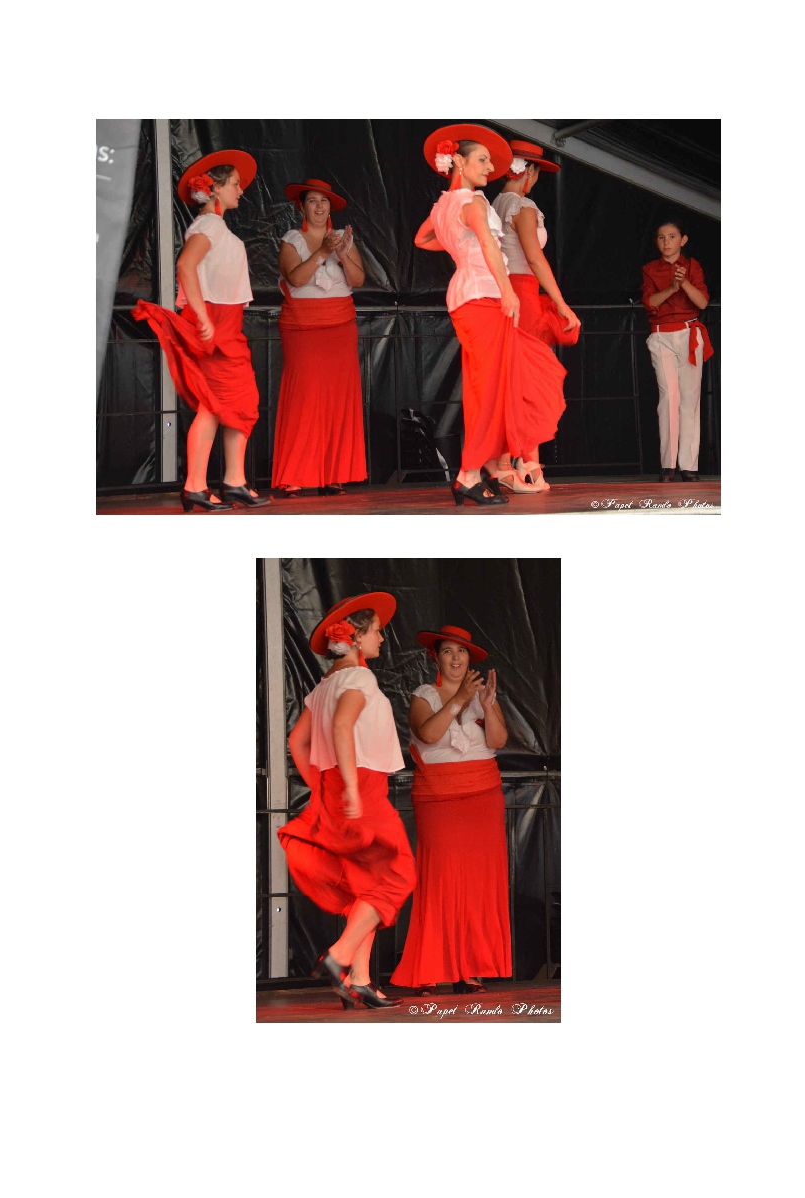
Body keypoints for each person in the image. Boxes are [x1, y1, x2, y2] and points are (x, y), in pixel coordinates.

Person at [414, 124, 566, 507]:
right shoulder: (474, 201)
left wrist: (458, 246)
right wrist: (508, 289)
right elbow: (487, 244)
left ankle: (482, 470)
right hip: (484, 295)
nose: (489, 167)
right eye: (482, 160)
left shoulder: (444, 204)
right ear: (458, 162)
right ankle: (469, 473)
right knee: (491, 389)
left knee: (485, 387)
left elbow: (422, 239)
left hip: (465, 294)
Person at [278, 593, 414, 1010]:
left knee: (367, 883)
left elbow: (296, 742)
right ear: (355, 637)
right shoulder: (359, 679)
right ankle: (339, 957)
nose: (382, 638)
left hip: (336, 787)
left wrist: (325, 787)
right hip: (362, 787)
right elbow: (342, 725)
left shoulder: (324, 686)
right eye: (377, 631)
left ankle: (360, 979)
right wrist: (352, 787)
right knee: (399, 874)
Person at [133, 149, 270, 512]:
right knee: (214, 405)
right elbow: (185, 264)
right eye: (235, 184)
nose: (241, 190)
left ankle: (234, 481)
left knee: (238, 402)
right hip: (216, 322)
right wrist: (201, 315)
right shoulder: (209, 225)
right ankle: (197, 485)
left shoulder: (215, 226)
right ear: (215, 189)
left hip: (226, 322)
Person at [390, 625, 511, 994]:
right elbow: (427, 735)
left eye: (461, 652)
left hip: (483, 796)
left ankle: (470, 970)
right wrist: (458, 699)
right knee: (440, 882)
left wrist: (486, 706)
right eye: (447, 651)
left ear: (469, 658)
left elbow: (499, 740)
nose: (456, 658)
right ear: (436, 657)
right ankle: (429, 970)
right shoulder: (423, 695)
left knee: (478, 885)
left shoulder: (484, 696)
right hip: (439, 797)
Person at [492, 140, 581, 494]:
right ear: (528, 171)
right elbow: (534, 257)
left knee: (513, 379)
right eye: (537, 172)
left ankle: (517, 462)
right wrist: (561, 303)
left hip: (503, 294)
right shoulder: (523, 205)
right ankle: (519, 463)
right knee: (528, 380)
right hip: (523, 293)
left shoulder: (494, 204)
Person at [271, 179, 368, 498]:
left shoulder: (343, 239)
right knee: (304, 399)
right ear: (302, 207)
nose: (319, 206)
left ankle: (334, 475)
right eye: (312, 201)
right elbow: (295, 278)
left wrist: (341, 253)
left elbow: (358, 279)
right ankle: (294, 476)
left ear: (330, 207)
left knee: (338, 400)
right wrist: (322, 252)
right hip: (304, 327)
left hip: (340, 325)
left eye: (324, 201)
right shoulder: (291, 240)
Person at [641, 217, 714, 482]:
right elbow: (650, 303)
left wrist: (683, 283)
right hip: (662, 336)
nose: (666, 242)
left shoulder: (692, 266)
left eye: (672, 237)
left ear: (683, 240)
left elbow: (702, 303)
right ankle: (668, 464)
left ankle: (688, 465)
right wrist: (672, 287)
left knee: (690, 398)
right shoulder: (650, 269)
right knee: (668, 397)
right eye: (661, 237)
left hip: (689, 333)